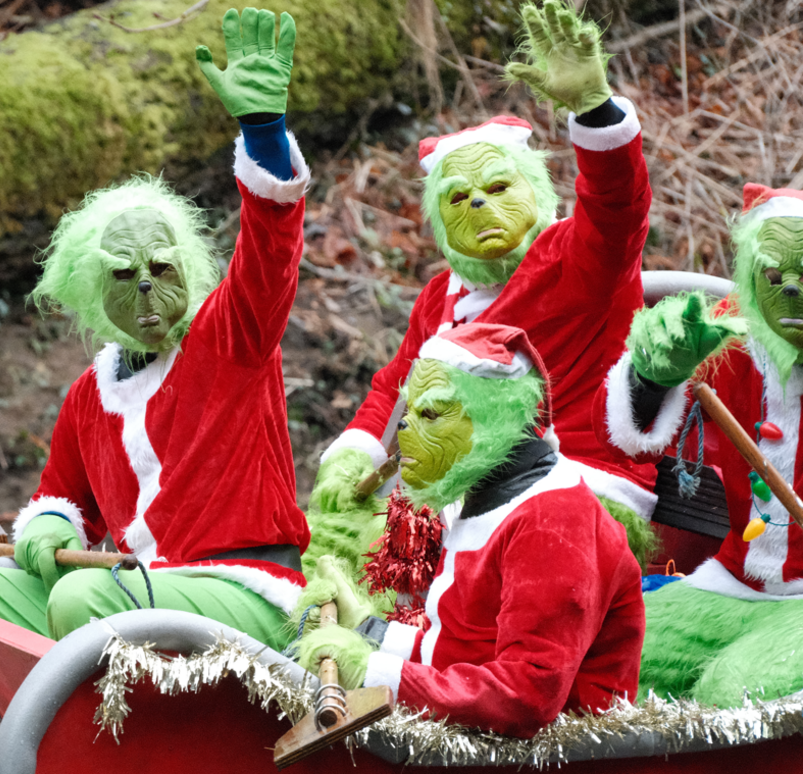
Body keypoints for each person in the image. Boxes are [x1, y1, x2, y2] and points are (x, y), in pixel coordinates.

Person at [0, 7, 310, 647]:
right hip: (135, 589)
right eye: (122, 274)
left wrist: (264, 130)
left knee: (83, 599)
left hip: (250, 594)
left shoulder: (231, 336)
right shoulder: (88, 396)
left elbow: (271, 250)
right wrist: (51, 527)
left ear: (187, 265)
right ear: (86, 290)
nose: (144, 286)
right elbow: (61, 498)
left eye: (160, 267)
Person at [306, 0, 657, 577]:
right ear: (440, 222)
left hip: (581, 487)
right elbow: (394, 390)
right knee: (336, 555)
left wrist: (596, 111)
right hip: (460, 499)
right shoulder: (440, 296)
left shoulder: (577, 257)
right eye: (459, 198)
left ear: (537, 192)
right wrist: (354, 455)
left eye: (498, 187)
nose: (481, 205)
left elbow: (618, 207)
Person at [295, 323, 644, 738]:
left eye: (430, 415)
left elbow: (527, 695)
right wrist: (371, 631)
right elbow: (463, 648)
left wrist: (371, 671)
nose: (404, 430)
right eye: (408, 412)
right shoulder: (486, 494)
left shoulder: (553, 523)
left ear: (494, 422)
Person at [597, 184, 803, 706]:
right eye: (776, 278)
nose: (793, 292)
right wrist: (652, 372)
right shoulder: (730, 334)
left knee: (736, 693)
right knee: (609, 665)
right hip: (733, 581)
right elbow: (630, 433)